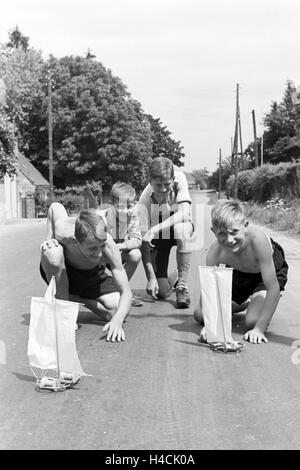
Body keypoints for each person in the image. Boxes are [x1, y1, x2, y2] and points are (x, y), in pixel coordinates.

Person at [193, 199, 289, 344]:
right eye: (222, 234)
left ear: (245, 226)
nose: (229, 240)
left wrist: (259, 329)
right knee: (199, 315)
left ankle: (260, 299)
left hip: (265, 274)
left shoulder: (258, 241)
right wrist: (212, 327)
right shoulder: (215, 252)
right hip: (239, 271)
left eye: (234, 232)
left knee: (252, 321)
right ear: (214, 232)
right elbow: (211, 291)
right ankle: (245, 303)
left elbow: (272, 287)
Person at [40, 202, 132, 342]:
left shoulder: (108, 245)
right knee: (52, 252)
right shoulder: (64, 233)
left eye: (101, 246)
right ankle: (64, 313)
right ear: (76, 241)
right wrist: (49, 238)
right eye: (92, 248)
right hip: (64, 274)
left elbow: (126, 292)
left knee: (119, 310)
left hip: (92, 276)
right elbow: (54, 206)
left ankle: (76, 299)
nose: (99, 254)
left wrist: (117, 321)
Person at [138, 157, 194, 308]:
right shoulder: (144, 200)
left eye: (167, 184)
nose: (163, 189)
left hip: (178, 228)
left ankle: (182, 286)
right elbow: (144, 242)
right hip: (159, 239)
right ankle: (172, 277)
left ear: (172, 178)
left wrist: (154, 228)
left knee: (180, 229)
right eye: (158, 185)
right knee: (161, 292)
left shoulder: (180, 178)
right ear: (150, 181)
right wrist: (150, 277)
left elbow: (184, 213)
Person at [103, 182, 143, 307]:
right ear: (112, 205)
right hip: (102, 254)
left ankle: (121, 291)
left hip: (119, 252)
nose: (125, 211)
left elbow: (137, 239)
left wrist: (121, 246)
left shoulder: (133, 216)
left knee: (135, 254)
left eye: (129, 206)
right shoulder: (104, 217)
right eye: (120, 206)